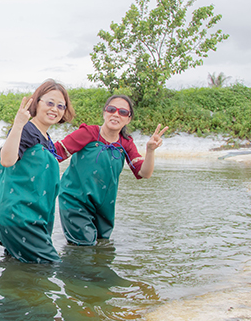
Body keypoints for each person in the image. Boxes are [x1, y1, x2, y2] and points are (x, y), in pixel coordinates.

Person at [56, 94, 168, 245]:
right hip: (75, 201)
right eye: (111, 109)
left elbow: (144, 173)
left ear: (128, 119)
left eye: (123, 112)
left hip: (104, 207)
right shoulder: (88, 133)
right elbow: (56, 153)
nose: (116, 114)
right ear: (104, 113)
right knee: (84, 246)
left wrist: (150, 150)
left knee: (101, 245)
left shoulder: (126, 143)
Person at [0, 79, 75, 263]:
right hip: (20, 217)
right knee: (50, 266)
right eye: (50, 103)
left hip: (32, 217)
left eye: (61, 106)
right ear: (37, 102)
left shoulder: (45, 137)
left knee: (21, 268)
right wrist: (18, 124)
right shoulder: (27, 130)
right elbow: (7, 160)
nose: (55, 109)